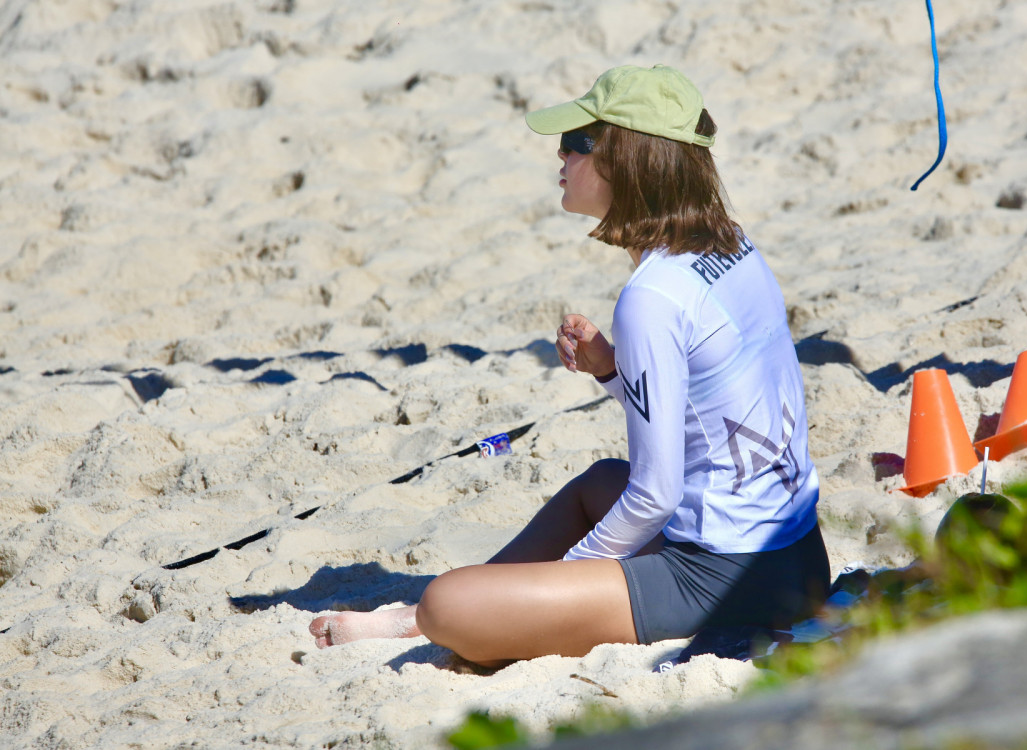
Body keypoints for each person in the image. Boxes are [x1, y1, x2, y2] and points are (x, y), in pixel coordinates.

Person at [309, 65, 829, 667]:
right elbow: (703, 415)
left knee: (451, 606)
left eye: (579, 141)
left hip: (725, 575)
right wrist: (612, 371)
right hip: (794, 550)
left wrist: (572, 575)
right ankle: (410, 619)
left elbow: (656, 495)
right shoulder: (728, 242)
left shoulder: (652, 298)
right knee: (594, 486)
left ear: (628, 161)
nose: (560, 152)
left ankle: (423, 620)